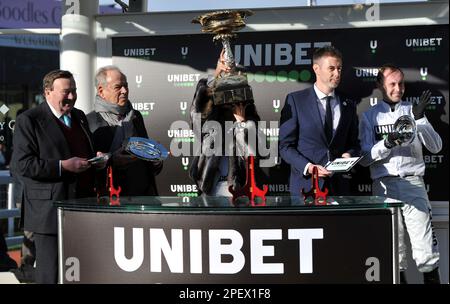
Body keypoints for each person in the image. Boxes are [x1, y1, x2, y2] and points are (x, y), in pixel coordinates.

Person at [10, 70, 105, 284]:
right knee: (50, 273)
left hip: (81, 206)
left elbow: (82, 150)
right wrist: (63, 166)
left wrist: (95, 158)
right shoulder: (29, 120)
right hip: (49, 212)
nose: (71, 97)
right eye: (66, 92)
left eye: (74, 91)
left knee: (82, 269)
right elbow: (23, 165)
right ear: (48, 93)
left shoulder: (79, 116)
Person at [359, 64, 442, 284]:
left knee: (426, 251)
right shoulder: (369, 117)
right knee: (394, 252)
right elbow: (364, 158)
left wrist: (421, 119)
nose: (398, 89)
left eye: (401, 83)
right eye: (392, 84)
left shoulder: (413, 111)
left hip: (413, 183)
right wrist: (387, 143)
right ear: (380, 85)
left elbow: (436, 147)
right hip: (384, 186)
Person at [279, 46, 360, 197]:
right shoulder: (296, 101)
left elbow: (354, 144)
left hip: (339, 188)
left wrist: (349, 155)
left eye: (339, 69)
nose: (337, 73)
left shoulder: (348, 103)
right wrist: (309, 167)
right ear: (316, 69)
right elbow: (285, 147)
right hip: (306, 188)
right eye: (331, 68)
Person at [189, 50, 261, 197]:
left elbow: (252, 155)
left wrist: (242, 124)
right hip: (209, 185)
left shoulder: (248, 114)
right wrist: (215, 75)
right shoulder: (213, 110)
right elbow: (197, 121)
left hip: (237, 187)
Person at [87, 66, 162, 196]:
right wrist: (112, 160)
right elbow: (87, 165)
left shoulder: (136, 116)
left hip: (142, 195)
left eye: (126, 86)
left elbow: (147, 160)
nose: (124, 91)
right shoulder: (90, 121)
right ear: (101, 91)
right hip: (109, 198)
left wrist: (155, 158)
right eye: (118, 87)